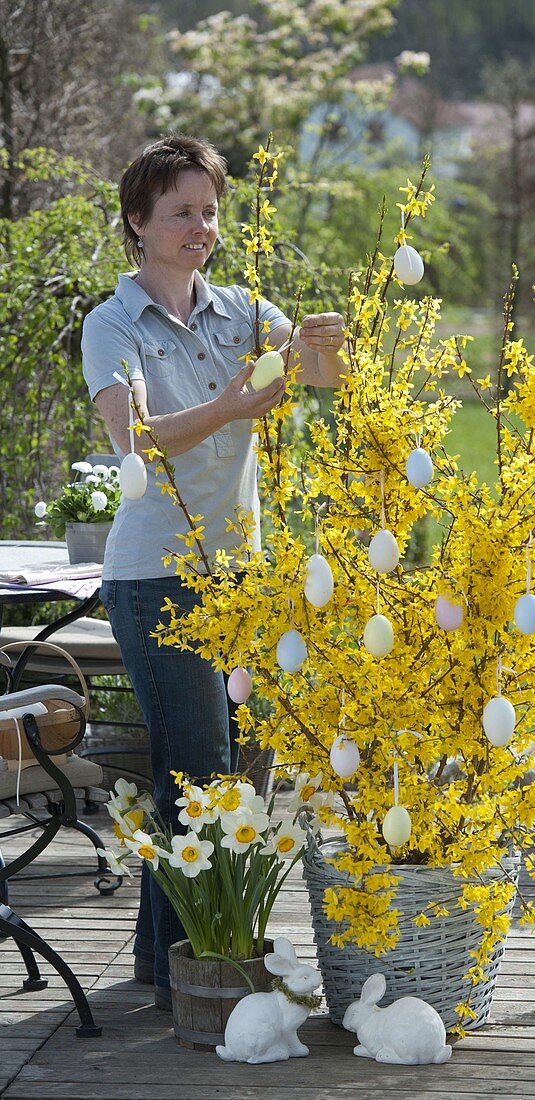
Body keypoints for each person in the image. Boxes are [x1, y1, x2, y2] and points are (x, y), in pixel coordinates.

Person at [81, 134, 346, 1010]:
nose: (200, 228)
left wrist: (325, 346)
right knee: (195, 771)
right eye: (180, 213)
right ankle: (185, 972)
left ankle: (180, 966)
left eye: (209, 211)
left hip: (245, 579)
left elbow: (321, 379)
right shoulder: (113, 323)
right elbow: (134, 443)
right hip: (156, 573)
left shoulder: (241, 309)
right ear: (138, 222)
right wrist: (231, 404)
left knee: (230, 772)